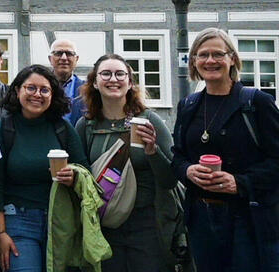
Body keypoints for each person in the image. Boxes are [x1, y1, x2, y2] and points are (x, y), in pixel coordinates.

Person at [172, 28, 279, 272]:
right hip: (202, 217)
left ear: (232, 59)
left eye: (218, 54)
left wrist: (240, 182)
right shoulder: (188, 106)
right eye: (203, 55)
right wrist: (188, 171)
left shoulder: (256, 102)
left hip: (249, 218)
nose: (210, 61)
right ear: (194, 62)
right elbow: (177, 156)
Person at [76, 54, 177, 272]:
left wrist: (153, 151)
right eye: (106, 74)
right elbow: (82, 178)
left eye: (120, 74)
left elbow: (170, 179)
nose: (113, 79)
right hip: (104, 226)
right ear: (94, 82)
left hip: (146, 225)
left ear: (130, 82)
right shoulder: (86, 126)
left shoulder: (149, 120)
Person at [0, 64, 88, 272]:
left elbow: (85, 172)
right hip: (18, 220)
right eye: (31, 88)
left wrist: (73, 176)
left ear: (52, 95)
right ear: (18, 91)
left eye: (44, 90)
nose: (37, 94)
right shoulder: (3, 129)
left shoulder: (63, 129)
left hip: (60, 220)